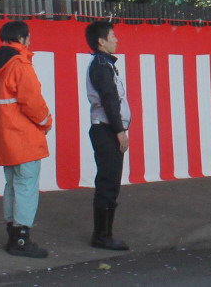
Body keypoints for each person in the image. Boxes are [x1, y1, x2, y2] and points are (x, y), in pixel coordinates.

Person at [0, 20, 53, 258]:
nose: (30, 41)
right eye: (29, 37)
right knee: (26, 188)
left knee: (12, 186)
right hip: (23, 138)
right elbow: (32, 102)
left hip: (4, 138)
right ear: (22, 39)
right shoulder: (20, 65)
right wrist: (46, 123)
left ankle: (13, 236)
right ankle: (21, 240)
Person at [85, 20, 131, 251]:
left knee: (109, 181)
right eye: (112, 35)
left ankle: (104, 233)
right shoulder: (102, 65)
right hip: (105, 129)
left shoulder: (105, 64)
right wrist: (119, 131)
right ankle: (102, 236)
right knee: (108, 182)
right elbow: (109, 100)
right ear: (101, 41)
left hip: (105, 128)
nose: (116, 39)